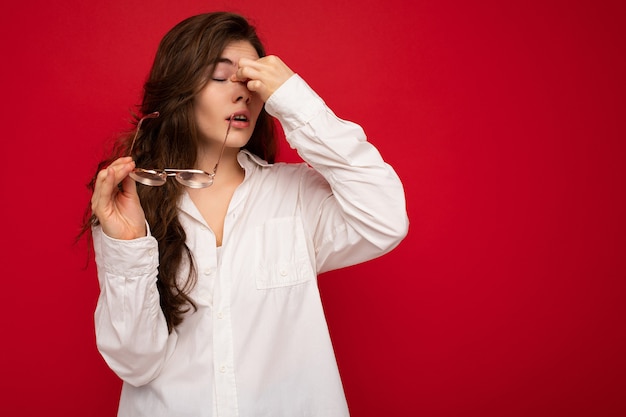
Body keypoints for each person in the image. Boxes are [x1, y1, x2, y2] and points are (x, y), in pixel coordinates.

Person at [82, 11, 408, 417]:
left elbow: (386, 218)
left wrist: (294, 98)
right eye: (221, 77)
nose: (242, 95)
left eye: (251, 82)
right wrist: (127, 247)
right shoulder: (133, 200)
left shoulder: (297, 196)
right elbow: (135, 363)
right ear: (180, 88)